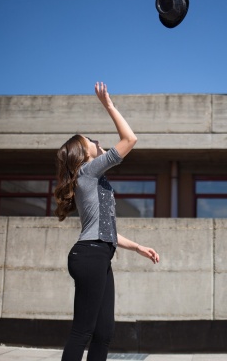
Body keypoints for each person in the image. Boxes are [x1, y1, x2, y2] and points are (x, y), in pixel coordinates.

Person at [54, 81, 160, 361]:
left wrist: (137, 247)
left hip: (98, 253)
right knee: (83, 331)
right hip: (90, 255)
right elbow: (130, 140)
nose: (98, 142)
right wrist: (109, 106)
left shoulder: (93, 179)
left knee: (104, 332)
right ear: (83, 153)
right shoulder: (88, 172)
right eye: (92, 141)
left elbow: (106, 231)